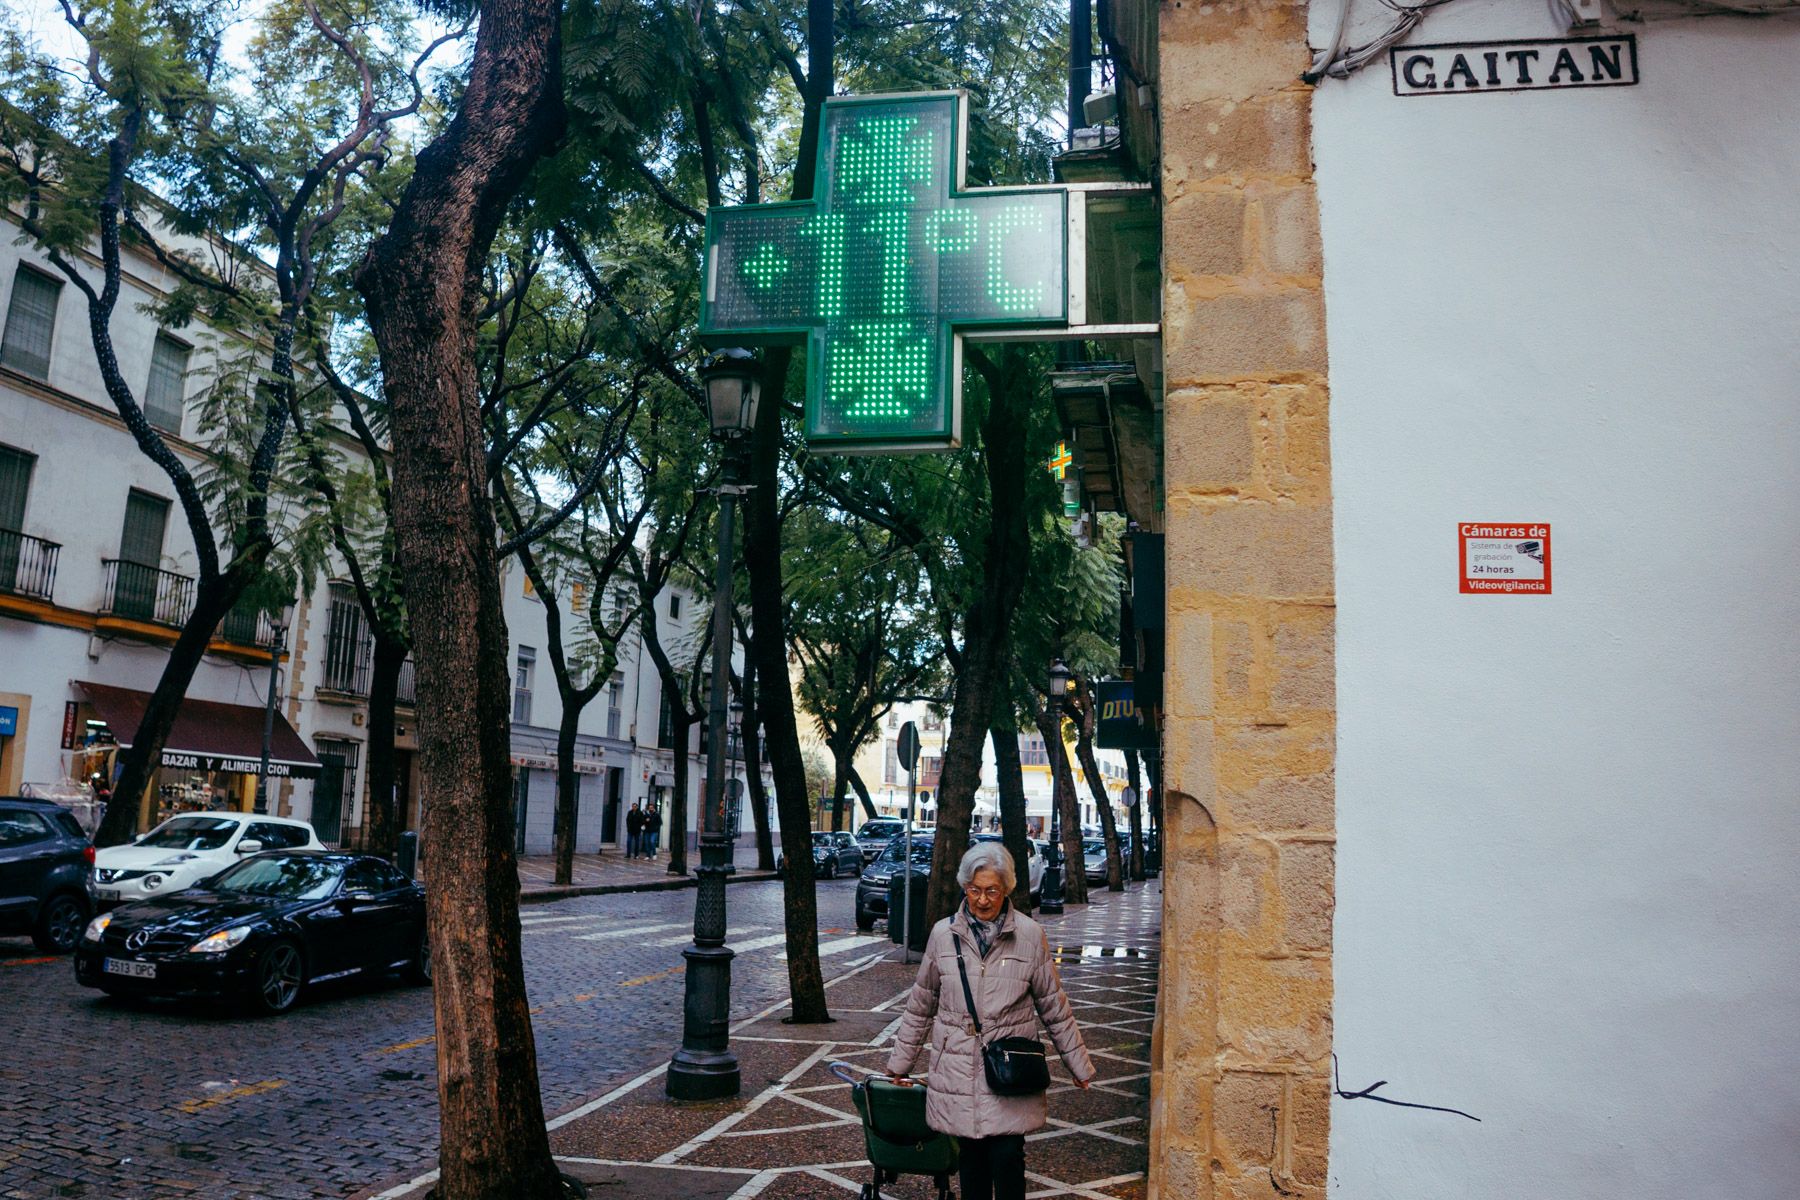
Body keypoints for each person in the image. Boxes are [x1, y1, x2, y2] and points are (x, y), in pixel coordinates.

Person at [887, 842, 1095, 1200]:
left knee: (1008, 1155)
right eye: (974, 890)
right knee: (971, 1159)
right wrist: (899, 1065)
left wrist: (1078, 1065)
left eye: (992, 891)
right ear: (965, 887)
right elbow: (921, 1004)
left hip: (1008, 1068)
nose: (982, 900)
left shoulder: (1030, 935)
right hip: (958, 1065)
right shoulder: (943, 935)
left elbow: (1053, 1006)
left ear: (1007, 889)